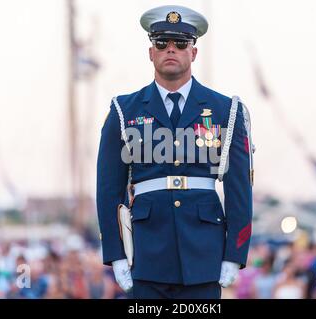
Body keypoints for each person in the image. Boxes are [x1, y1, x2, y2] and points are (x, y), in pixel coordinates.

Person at [96, 5, 254, 299]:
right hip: (146, 253)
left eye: (181, 44)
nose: (171, 50)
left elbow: (239, 190)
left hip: (205, 253)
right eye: (161, 43)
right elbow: (108, 190)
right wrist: (116, 254)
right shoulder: (123, 110)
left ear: (193, 53)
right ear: (151, 52)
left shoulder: (225, 110)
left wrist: (234, 252)